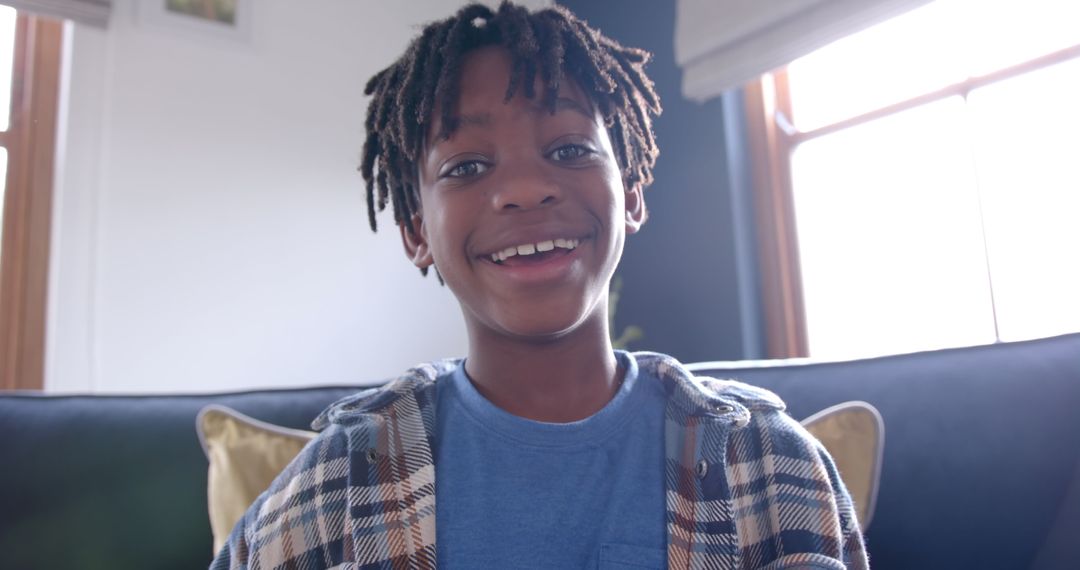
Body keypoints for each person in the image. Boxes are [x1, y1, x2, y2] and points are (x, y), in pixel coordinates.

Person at [211, 2, 868, 568]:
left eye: (569, 149)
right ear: (416, 232)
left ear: (632, 192)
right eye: (467, 165)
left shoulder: (775, 466)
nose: (526, 188)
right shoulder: (337, 483)